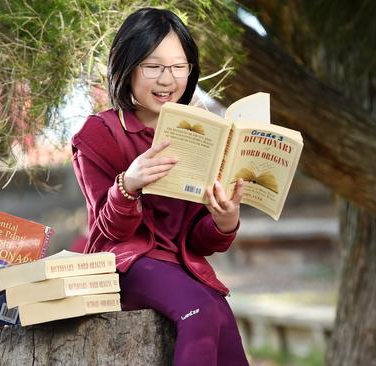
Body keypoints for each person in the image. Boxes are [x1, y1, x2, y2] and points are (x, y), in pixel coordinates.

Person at [71, 8, 249, 365]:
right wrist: (129, 185)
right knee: (199, 310)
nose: (167, 79)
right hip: (124, 262)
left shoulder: (201, 134)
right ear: (127, 67)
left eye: (179, 67)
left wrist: (224, 220)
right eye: (153, 67)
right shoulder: (100, 134)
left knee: (223, 319)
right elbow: (108, 230)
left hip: (180, 265)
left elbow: (196, 240)